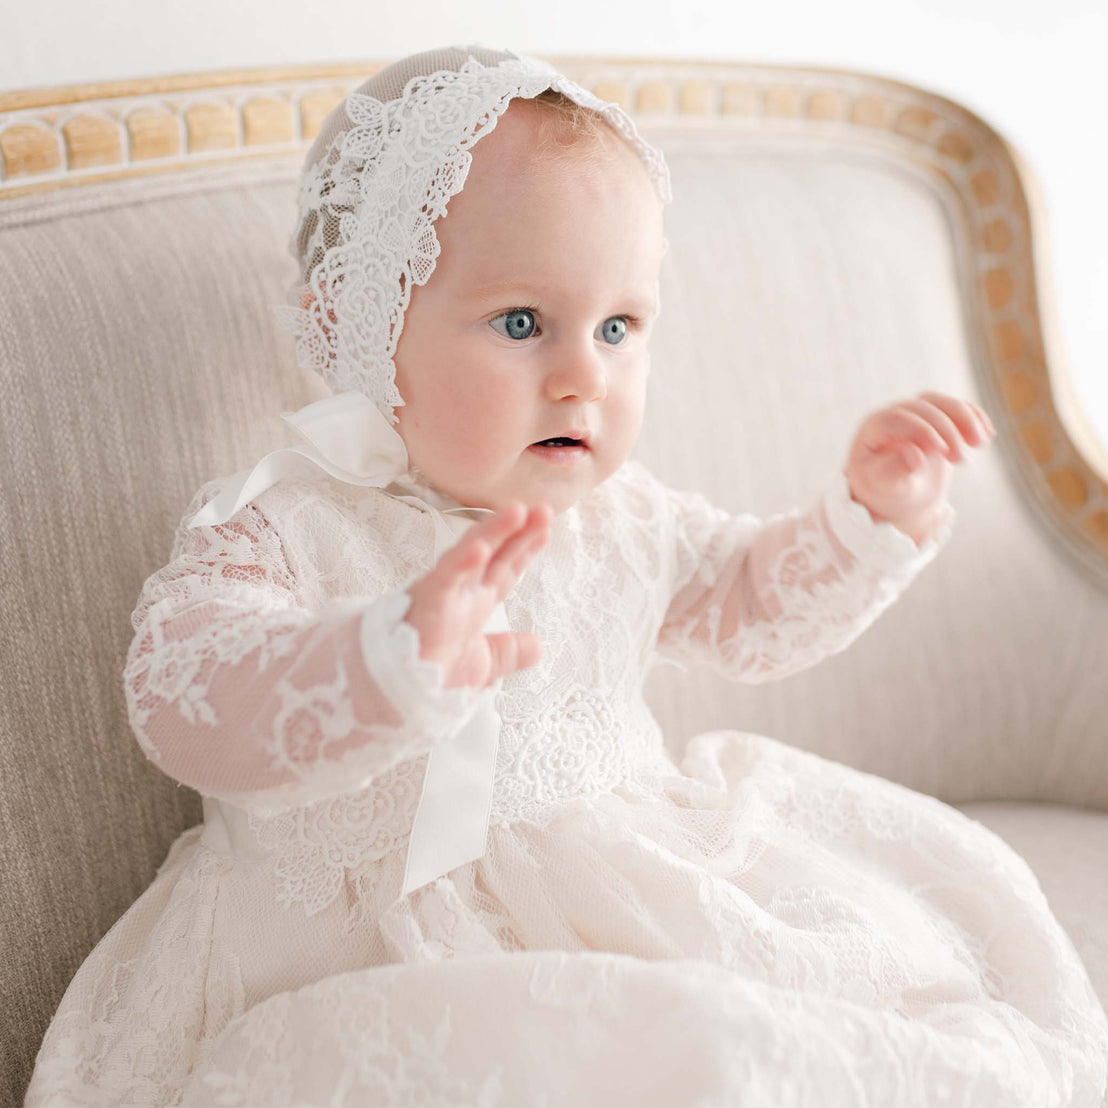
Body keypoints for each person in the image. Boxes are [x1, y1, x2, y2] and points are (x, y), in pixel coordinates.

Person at [24, 44, 1108, 1108]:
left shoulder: (616, 517)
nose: (583, 375)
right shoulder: (283, 522)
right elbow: (184, 696)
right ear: (362, 330)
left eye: (618, 326)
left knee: (757, 1037)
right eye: (519, 323)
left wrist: (871, 512)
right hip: (365, 943)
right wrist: (377, 661)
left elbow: (748, 606)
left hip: (621, 889)